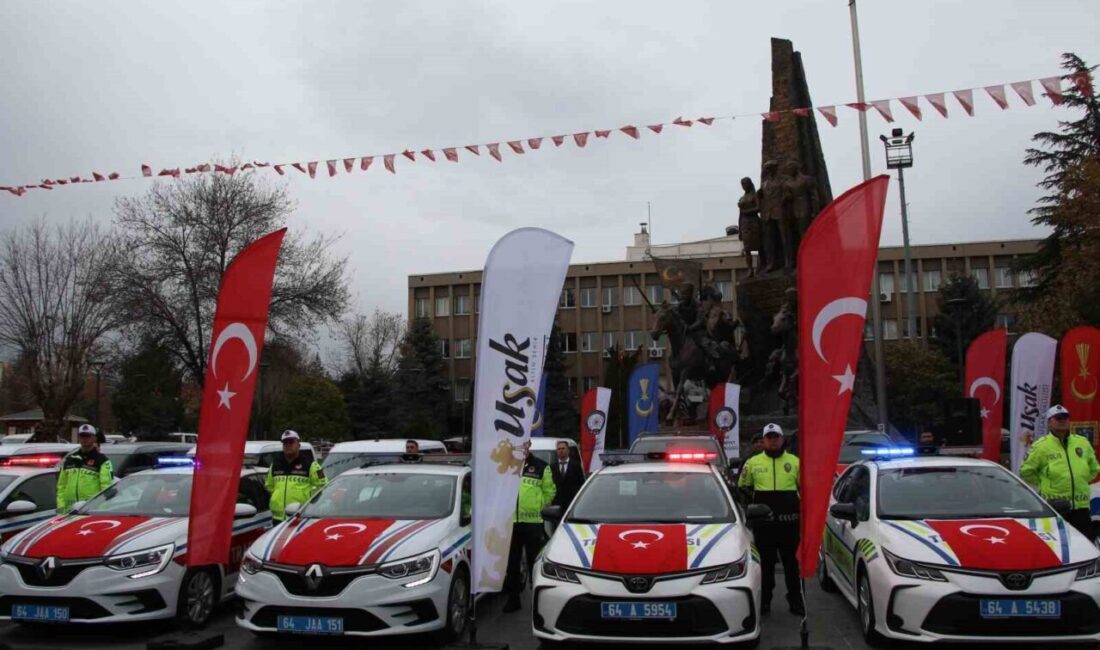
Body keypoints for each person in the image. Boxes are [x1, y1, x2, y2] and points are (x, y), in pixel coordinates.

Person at [738, 423, 803, 615]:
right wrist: (756, 504)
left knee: (791, 565)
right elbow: (742, 486)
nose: (773, 441)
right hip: (764, 524)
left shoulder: (795, 461)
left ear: (782, 439)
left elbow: (804, 488)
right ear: (764, 440)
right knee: (765, 565)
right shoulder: (753, 462)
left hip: (789, 522)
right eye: (769, 437)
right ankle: (765, 601)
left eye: (776, 437)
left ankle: (795, 600)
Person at [1020, 405, 1100, 539]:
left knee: (1085, 545)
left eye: (1065, 418)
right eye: (1058, 418)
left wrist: (1081, 479)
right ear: (1049, 422)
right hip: (1055, 508)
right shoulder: (1041, 446)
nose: (1062, 421)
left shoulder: (1082, 443)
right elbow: (1026, 471)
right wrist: (1045, 482)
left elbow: (1094, 469)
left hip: (1081, 507)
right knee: (1058, 546)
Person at [502, 441, 556, 613]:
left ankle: (536, 600)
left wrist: (540, 507)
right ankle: (513, 599)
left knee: (535, 562)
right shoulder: (507, 466)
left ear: (528, 447)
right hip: (511, 523)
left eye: (523, 447)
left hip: (533, 523)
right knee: (512, 563)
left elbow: (550, 491)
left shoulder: (542, 466)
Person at [266, 430, 328, 522]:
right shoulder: (275, 465)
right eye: (285, 443)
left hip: (301, 517)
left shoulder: (311, 465)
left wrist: (310, 503)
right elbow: (269, 486)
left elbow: (324, 486)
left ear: (298, 445)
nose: (288, 445)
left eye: (291, 442)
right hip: (278, 518)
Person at [56, 424, 114, 512]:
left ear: (94, 438)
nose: (84, 439)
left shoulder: (102, 461)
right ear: (79, 438)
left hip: (91, 511)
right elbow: (61, 486)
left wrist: (102, 511)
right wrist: (60, 507)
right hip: (69, 512)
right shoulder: (70, 459)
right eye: (82, 436)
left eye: (88, 436)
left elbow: (106, 488)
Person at [550, 441, 584, 509]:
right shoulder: (552, 467)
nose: (561, 451)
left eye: (563, 448)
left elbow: (581, 484)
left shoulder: (576, 466)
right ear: (556, 451)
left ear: (568, 450)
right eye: (559, 449)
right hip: (557, 503)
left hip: (572, 503)